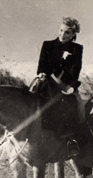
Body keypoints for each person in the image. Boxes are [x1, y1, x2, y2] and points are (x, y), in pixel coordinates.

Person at [36, 16, 83, 158]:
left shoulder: (77, 49)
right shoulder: (48, 45)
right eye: (61, 30)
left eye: (67, 32)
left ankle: (71, 140)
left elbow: (75, 71)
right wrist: (43, 73)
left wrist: (68, 86)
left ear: (73, 34)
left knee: (72, 105)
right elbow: (42, 65)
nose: (63, 34)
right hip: (46, 83)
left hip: (65, 85)